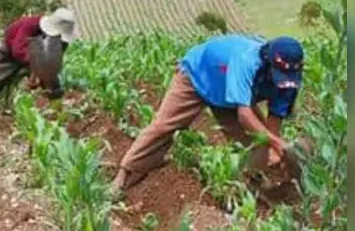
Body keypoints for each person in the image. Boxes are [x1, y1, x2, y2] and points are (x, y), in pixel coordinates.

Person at [111, 34, 306, 196]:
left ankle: (253, 188)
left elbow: (275, 117)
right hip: (198, 77)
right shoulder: (246, 61)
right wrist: (279, 144)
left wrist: (274, 148)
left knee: (257, 143)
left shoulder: (289, 82)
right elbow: (245, 116)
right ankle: (125, 174)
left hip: (230, 97)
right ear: (268, 62)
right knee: (164, 126)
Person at [0, 8, 79, 137]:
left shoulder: (62, 40)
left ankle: (58, 119)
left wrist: (41, 75)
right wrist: (36, 68)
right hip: (7, 55)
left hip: (36, 59)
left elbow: (55, 57)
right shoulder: (29, 25)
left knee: (52, 83)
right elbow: (18, 50)